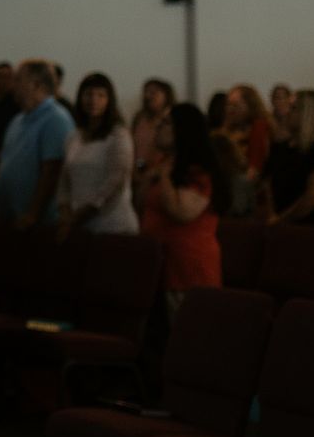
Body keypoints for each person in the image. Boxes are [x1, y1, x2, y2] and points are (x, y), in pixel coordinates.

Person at [139, 104, 228, 313]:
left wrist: (164, 177)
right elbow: (141, 204)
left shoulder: (199, 172)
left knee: (187, 331)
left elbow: (182, 212)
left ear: (184, 129)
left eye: (166, 123)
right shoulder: (162, 162)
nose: (159, 126)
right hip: (159, 262)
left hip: (187, 267)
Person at [0, 59, 74, 228]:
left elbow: (52, 171)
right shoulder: (18, 120)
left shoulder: (56, 119)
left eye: (18, 80)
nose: (13, 85)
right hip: (10, 218)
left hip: (38, 223)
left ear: (36, 85)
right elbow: (4, 165)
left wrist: (32, 214)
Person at [58, 72, 137, 236]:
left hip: (111, 224)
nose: (93, 100)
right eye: (88, 94)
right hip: (77, 223)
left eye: (101, 95)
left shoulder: (118, 135)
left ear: (110, 100)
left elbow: (116, 180)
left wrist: (83, 213)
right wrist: (65, 210)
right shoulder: (74, 136)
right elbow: (64, 177)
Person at [263, 90, 314, 227]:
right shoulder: (280, 147)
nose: (287, 112)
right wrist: (273, 215)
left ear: (309, 114)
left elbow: (313, 197)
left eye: (293, 108)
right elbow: (268, 182)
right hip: (281, 224)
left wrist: (281, 220)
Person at [129, 78, 175, 185]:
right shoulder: (139, 118)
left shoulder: (171, 119)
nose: (148, 96)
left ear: (166, 95)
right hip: (138, 171)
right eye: (146, 92)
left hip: (162, 174)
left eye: (154, 92)